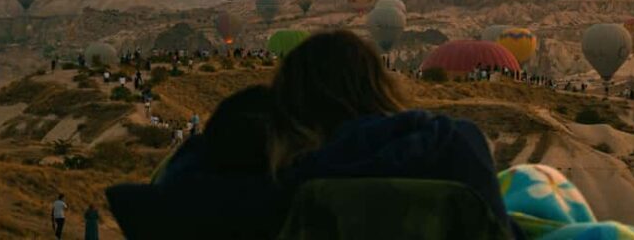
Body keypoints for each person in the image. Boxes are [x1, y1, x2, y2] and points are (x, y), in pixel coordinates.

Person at [107, 29, 518, 238]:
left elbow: (154, 204)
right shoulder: (451, 147)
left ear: (289, 99)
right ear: (380, 85)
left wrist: (245, 115)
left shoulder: (264, 190)